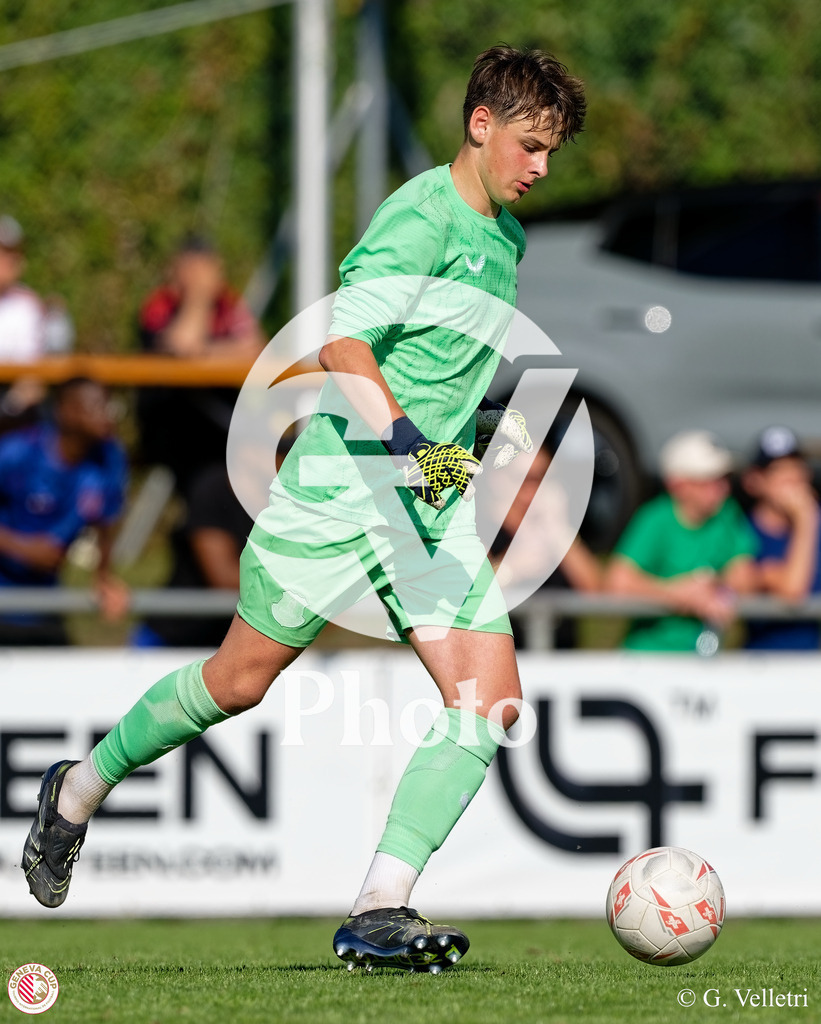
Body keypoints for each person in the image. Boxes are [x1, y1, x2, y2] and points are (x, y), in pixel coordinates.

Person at [22, 46, 586, 972]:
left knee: (486, 702)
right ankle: (76, 790)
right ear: (478, 124)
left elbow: (433, 363)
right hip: (338, 493)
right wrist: (409, 439)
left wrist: (479, 426)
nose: (540, 168)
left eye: (551, 152)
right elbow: (345, 347)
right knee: (238, 682)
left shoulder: (505, 240)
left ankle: (380, 906)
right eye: (529, 145)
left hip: (422, 512)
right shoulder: (419, 217)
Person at [0, 377, 128, 645]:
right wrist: (22, 548)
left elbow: (106, 521)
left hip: (45, 596)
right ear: (65, 411)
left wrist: (104, 576)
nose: (107, 413)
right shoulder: (18, 453)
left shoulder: (109, 457)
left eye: (108, 404)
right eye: (95, 405)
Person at [605, 430, 757, 651]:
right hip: (647, 658)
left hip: (703, 660)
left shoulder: (728, 516)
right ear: (679, 485)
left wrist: (714, 590)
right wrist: (675, 594)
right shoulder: (656, 519)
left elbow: (744, 580)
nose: (723, 489)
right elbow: (617, 583)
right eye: (710, 480)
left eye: (724, 479)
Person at [136, 235, 265, 497]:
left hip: (222, 421)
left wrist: (204, 351)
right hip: (173, 422)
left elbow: (257, 351)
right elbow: (181, 347)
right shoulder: (160, 304)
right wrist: (198, 297)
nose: (204, 276)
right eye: (193, 269)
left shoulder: (228, 303)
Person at [130, 463, 254, 649]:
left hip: (233, 642)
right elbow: (224, 578)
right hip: (171, 639)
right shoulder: (213, 488)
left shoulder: (289, 500)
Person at [489, 444, 600, 647]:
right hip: (503, 660)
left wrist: (559, 529)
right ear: (498, 480)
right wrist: (509, 571)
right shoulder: (482, 529)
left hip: (559, 663)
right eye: (523, 478)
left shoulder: (555, 527)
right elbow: (464, 600)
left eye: (544, 478)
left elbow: (596, 592)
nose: (534, 488)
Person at [741, 426, 821, 650]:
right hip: (762, 664)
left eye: (796, 467)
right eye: (779, 470)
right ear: (754, 481)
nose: (792, 479)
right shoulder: (740, 533)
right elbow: (793, 591)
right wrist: (806, 519)